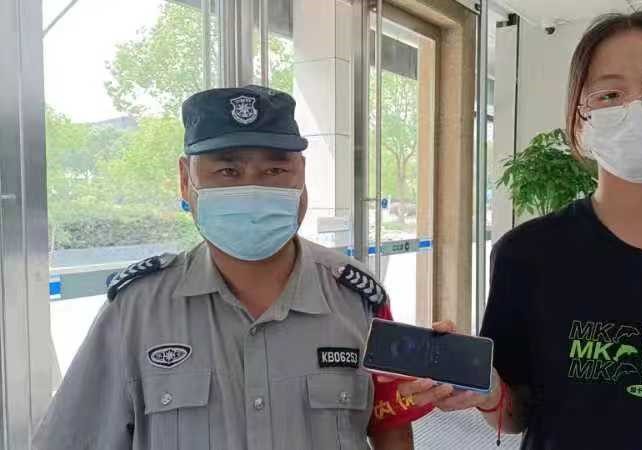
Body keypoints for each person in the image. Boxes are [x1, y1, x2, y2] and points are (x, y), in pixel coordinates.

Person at [397, 11, 642, 450]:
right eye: (609, 94)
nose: (635, 108)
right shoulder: (528, 254)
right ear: (579, 123)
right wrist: (490, 392)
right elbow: (516, 416)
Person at [33, 86, 431, 450]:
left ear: (302, 176)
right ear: (186, 180)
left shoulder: (358, 300)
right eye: (228, 171)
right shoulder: (134, 312)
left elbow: (391, 429)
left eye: (275, 171)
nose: (253, 189)